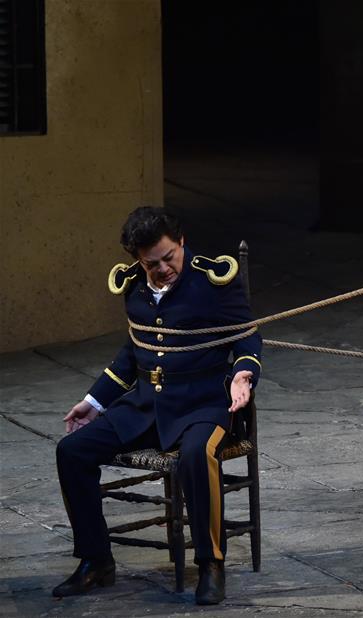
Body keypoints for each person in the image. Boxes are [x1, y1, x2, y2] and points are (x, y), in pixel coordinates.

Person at [53, 206, 262, 604]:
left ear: (181, 242)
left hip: (205, 405)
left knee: (196, 456)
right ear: (137, 259)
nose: (164, 267)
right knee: (72, 451)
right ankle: (95, 561)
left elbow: (248, 338)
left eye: (170, 256)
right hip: (148, 407)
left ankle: (211, 565)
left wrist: (243, 374)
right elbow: (133, 352)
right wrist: (94, 401)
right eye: (153, 263)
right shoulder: (134, 287)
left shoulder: (212, 283)